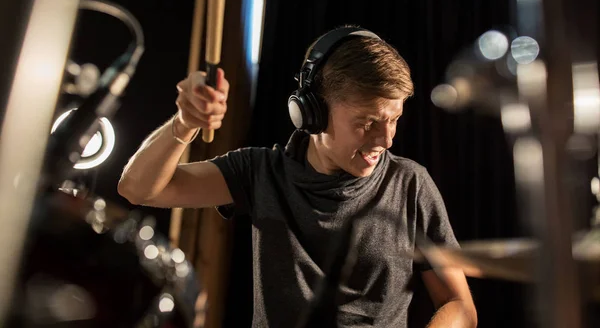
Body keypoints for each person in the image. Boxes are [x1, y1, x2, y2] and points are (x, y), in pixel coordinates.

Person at [118, 26, 477, 327]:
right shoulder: (259, 172)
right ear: (313, 113)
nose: (385, 139)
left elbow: (460, 306)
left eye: (394, 119)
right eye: (367, 123)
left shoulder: (411, 184)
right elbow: (138, 189)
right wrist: (185, 124)